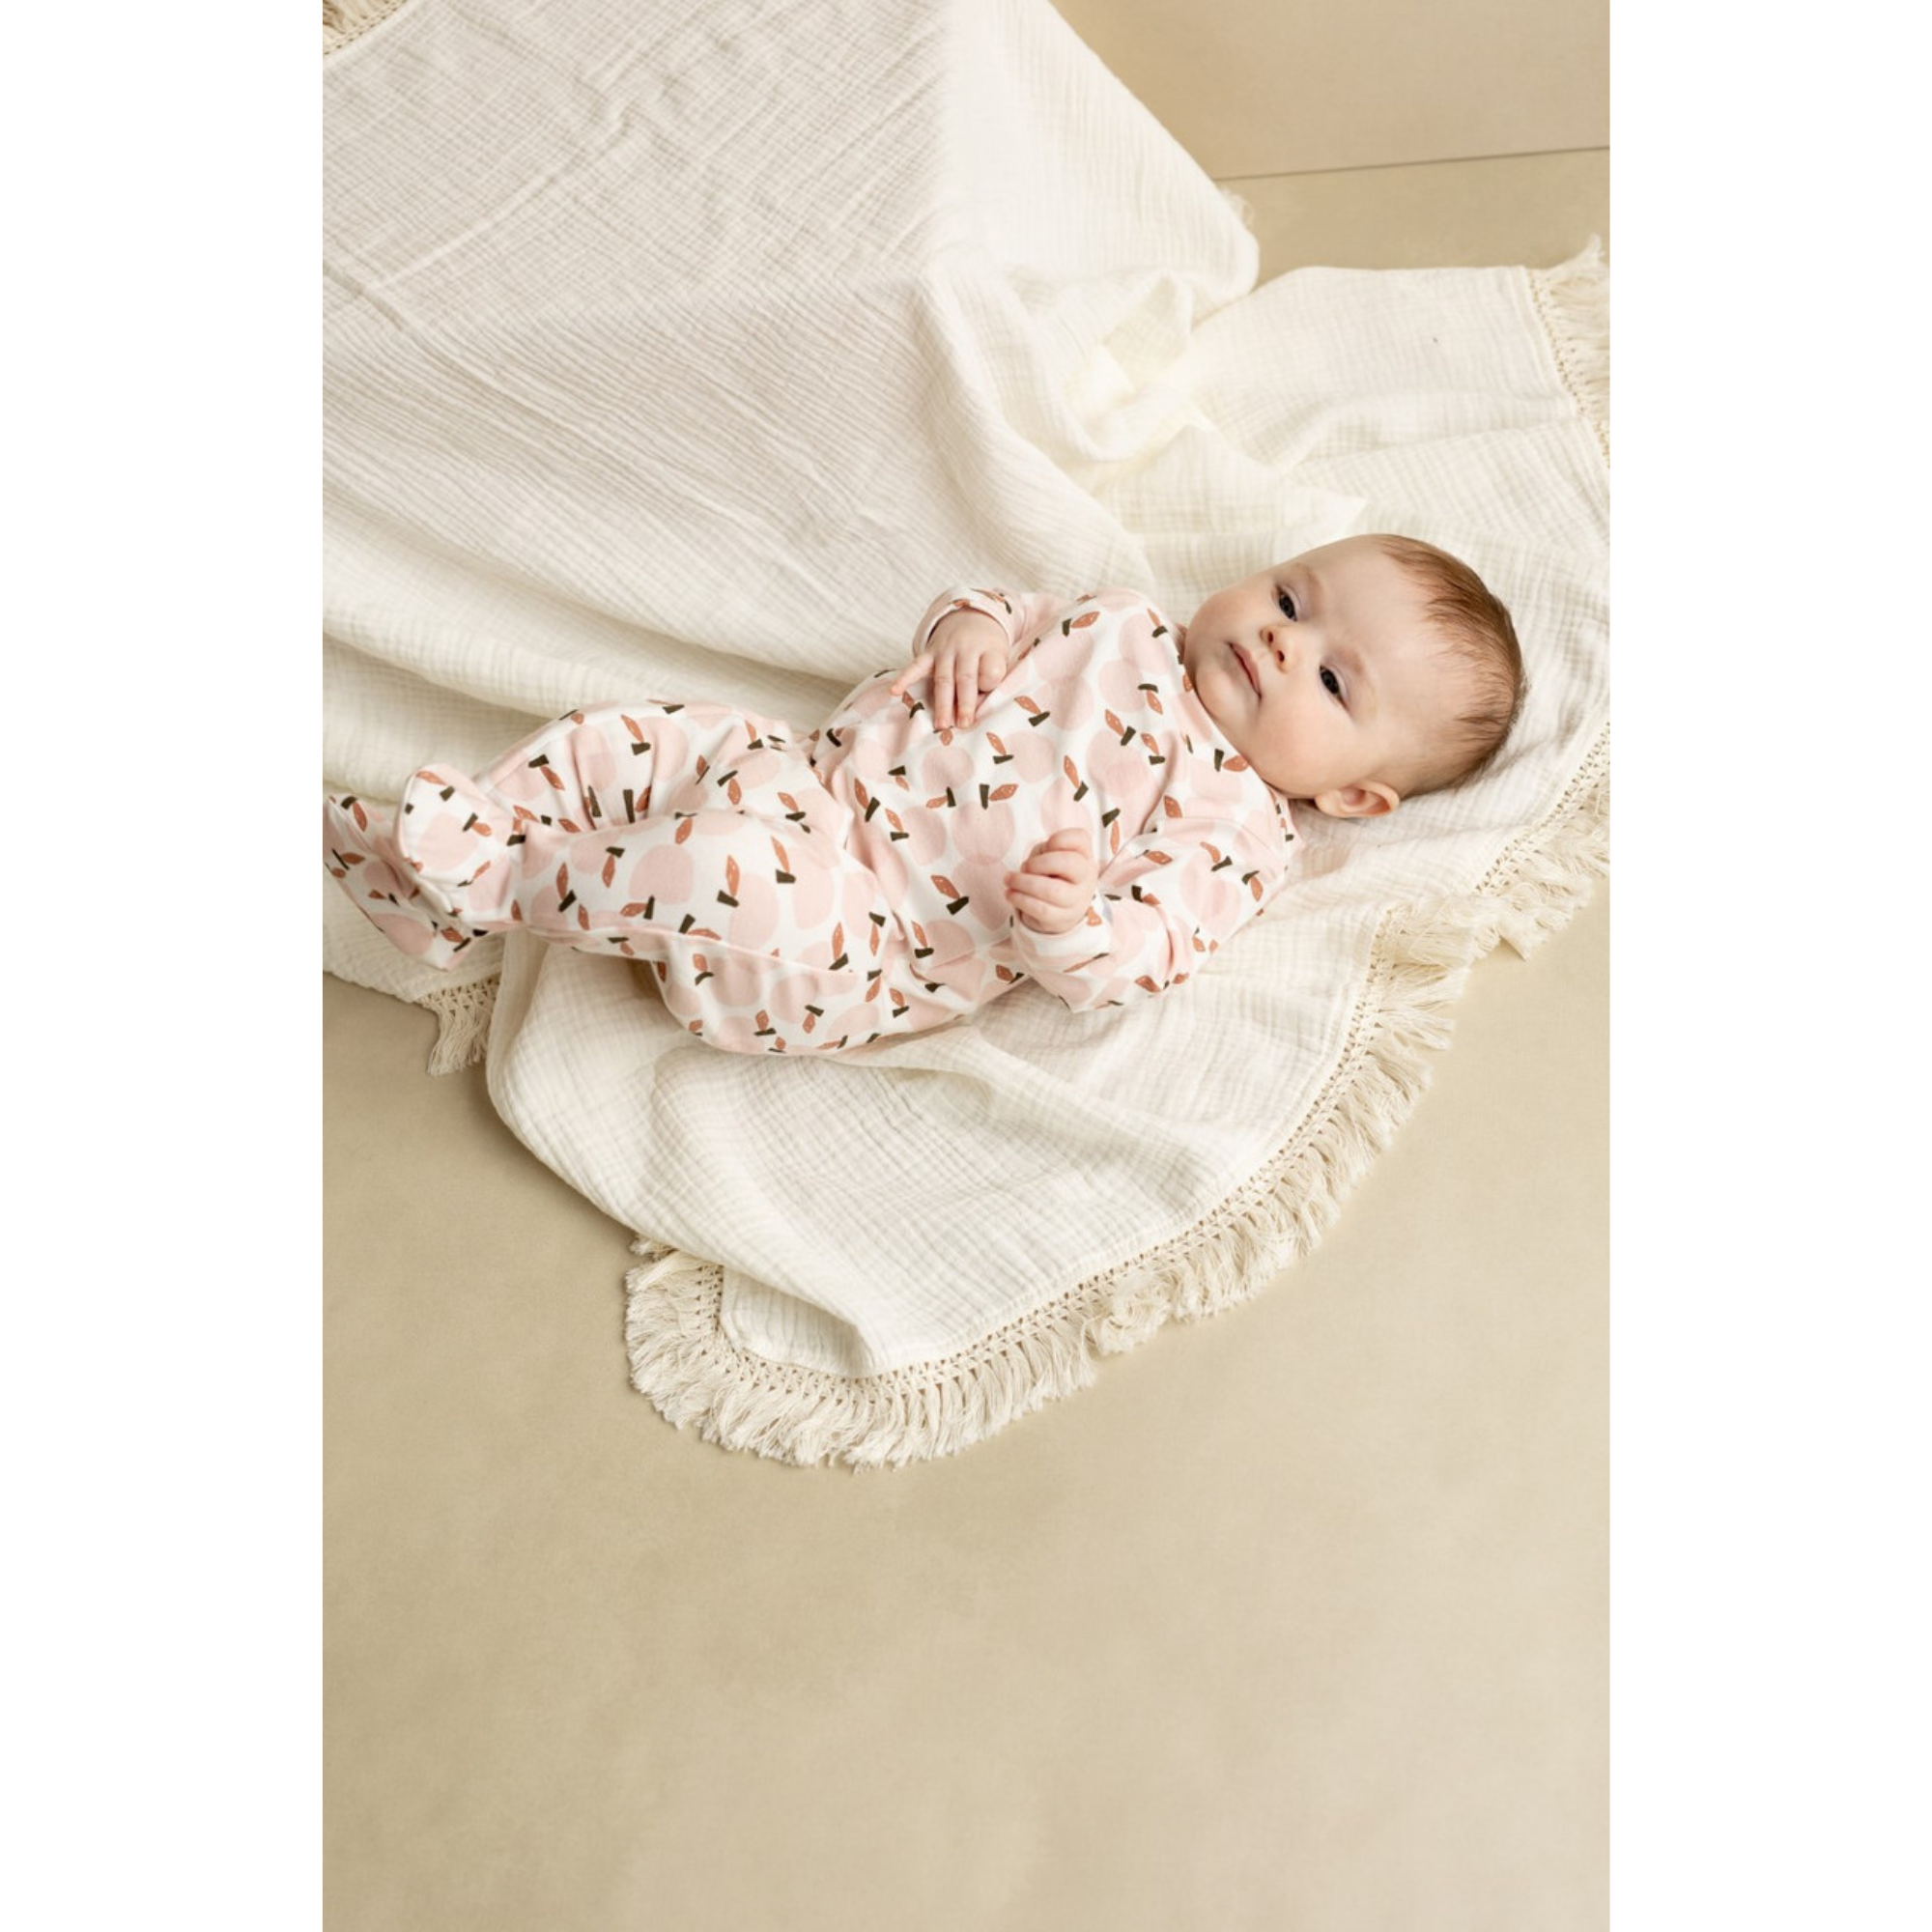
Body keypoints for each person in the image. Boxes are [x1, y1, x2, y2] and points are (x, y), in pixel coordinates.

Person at [323, 533, 1523, 1054]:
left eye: (1330, 679)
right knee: (634, 737)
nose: (1277, 640)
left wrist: (1073, 922)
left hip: (861, 939)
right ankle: (486, 829)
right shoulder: (1120, 621)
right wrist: (965, 628)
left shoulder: (1234, 826)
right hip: (801, 772)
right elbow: (999, 606)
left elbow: (1142, 955)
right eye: (1290, 597)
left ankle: (483, 878)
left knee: (718, 869)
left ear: (1354, 797)